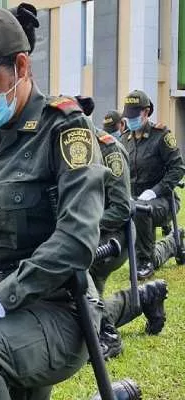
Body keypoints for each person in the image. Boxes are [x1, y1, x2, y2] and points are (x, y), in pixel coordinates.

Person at [0, 7, 110, 398]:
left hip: (59, 307)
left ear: (21, 66)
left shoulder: (64, 129)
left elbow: (77, 239)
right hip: (2, 306)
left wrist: (1, 299)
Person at [73, 95, 169, 360]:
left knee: (76, 289)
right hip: (86, 235)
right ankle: (147, 295)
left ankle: (109, 338)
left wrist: (81, 225)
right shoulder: (67, 150)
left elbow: (119, 209)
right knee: (82, 310)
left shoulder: (109, 150)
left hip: (113, 238)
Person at [118, 90, 185, 279]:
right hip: (134, 198)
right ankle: (174, 241)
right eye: (128, 116)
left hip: (163, 201)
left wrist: (155, 191)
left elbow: (178, 168)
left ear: (146, 112)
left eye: (135, 115)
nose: (130, 120)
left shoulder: (161, 136)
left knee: (141, 209)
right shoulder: (125, 139)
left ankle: (145, 261)